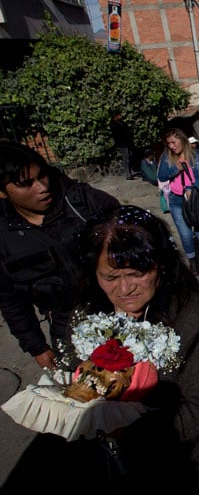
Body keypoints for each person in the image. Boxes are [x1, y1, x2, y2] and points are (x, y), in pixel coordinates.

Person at [71, 205, 199, 493]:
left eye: (137, 273)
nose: (124, 289)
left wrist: (131, 437)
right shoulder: (88, 316)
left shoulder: (195, 313)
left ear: (160, 265)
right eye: (110, 277)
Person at [0, 140, 120, 369]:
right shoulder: (4, 238)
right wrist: (37, 347)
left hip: (122, 310)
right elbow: (11, 299)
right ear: (2, 192)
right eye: (27, 184)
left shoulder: (83, 202)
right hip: (68, 331)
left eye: (42, 175)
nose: (42, 187)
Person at [156, 128, 199, 276]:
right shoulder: (167, 157)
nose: (171, 146)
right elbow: (162, 176)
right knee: (185, 234)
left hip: (194, 198)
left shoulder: (197, 155)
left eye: (173, 142)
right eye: (169, 143)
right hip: (176, 200)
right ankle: (192, 261)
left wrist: (192, 187)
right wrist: (174, 169)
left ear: (182, 139)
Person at [110, 112, 137, 180]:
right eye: (119, 115)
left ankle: (130, 171)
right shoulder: (114, 124)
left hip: (127, 142)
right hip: (122, 143)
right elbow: (117, 135)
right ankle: (128, 174)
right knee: (126, 158)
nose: (121, 116)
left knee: (129, 156)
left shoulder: (121, 122)